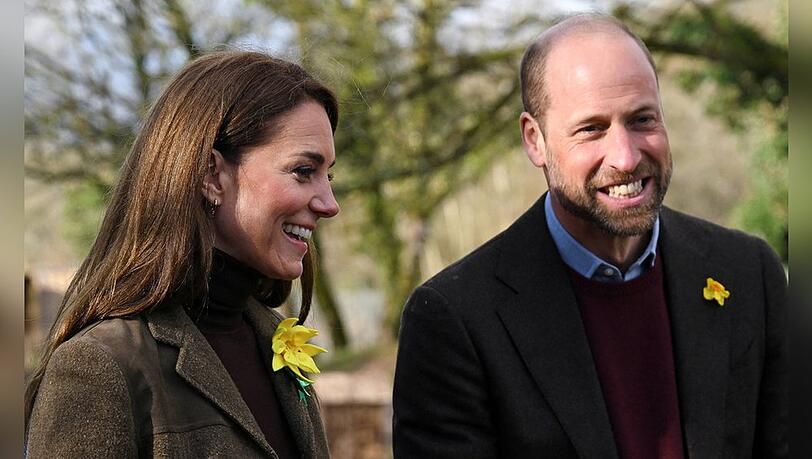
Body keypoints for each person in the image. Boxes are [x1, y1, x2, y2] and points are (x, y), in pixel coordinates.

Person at [393, 13, 787, 459]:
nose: (625, 155)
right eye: (591, 129)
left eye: (642, 120)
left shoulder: (748, 273)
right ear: (534, 140)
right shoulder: (455, 320)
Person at [25, 51, 340, 458]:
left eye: (327, 176)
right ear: (212, 175)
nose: (330, 203)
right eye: (303, 171)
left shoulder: (274, 339)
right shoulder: (99, 367)